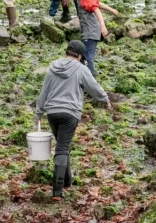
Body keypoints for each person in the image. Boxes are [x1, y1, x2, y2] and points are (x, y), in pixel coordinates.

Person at [35, 40, 110, 199]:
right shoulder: (81, 69)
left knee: (63, 144)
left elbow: (44, 91)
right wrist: (105, 100)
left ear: (67, 52)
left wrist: (39, 112)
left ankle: (67, 180)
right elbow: (94, 87)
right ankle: (57, 190)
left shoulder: (53, 67)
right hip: (70, 114)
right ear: (81, 56)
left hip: (52, 113)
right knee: (62, 148)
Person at [71, 0, 111, 77]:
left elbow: (96, 9)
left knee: (87, 57)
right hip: (89, 30)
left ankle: (91, 80)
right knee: (83, 56)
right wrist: (112, 10)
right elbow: (97, 3)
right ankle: (87, 77)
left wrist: (103, 26)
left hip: (90, 31)